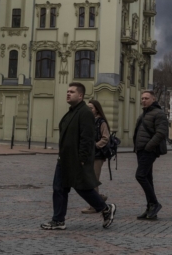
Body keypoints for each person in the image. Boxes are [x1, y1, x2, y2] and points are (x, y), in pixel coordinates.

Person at [41, 82, 116, 230]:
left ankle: (106, 209)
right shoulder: (72, 111)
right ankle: (58, 220)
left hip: (77, 159)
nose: (68, 93)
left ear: (80, 96)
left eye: (72, 92)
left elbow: (87, 138)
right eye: (68, 91)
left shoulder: (85, 112)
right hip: (65, 159)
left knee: (83, 188)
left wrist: (82, 158)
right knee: (59, 188)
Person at [133, 90, 169, 220]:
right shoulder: (144, 114)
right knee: (147, 178)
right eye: (142, 98)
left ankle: (155, 203)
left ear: (153, 99)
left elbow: (161, 133)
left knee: (140, 175)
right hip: (141, 150)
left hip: (149, 150)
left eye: (146, 98)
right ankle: (150, 208)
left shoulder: (159, 113)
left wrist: (148, 147)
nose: (143, 100)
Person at [81, 99, 110, 213]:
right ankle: (99, 198)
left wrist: (96, 146)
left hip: (97, 156)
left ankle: (94, 206)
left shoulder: (101, 122)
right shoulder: (88, 120)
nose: (89, 110)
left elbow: (105, 138)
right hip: (88, 155)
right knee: (88, 179)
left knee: (93, 180)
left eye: (91, 108)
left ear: (97, 110)